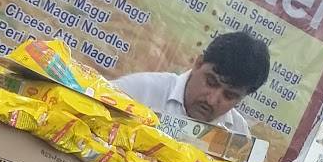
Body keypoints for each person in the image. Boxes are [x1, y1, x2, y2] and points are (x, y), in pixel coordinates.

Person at [116, 31, 270, 138]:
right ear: (198, 64)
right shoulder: (139, 91)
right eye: (211, 82)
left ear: (242, 98)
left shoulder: (237, 135)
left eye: (229, 95)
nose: (211, 100)